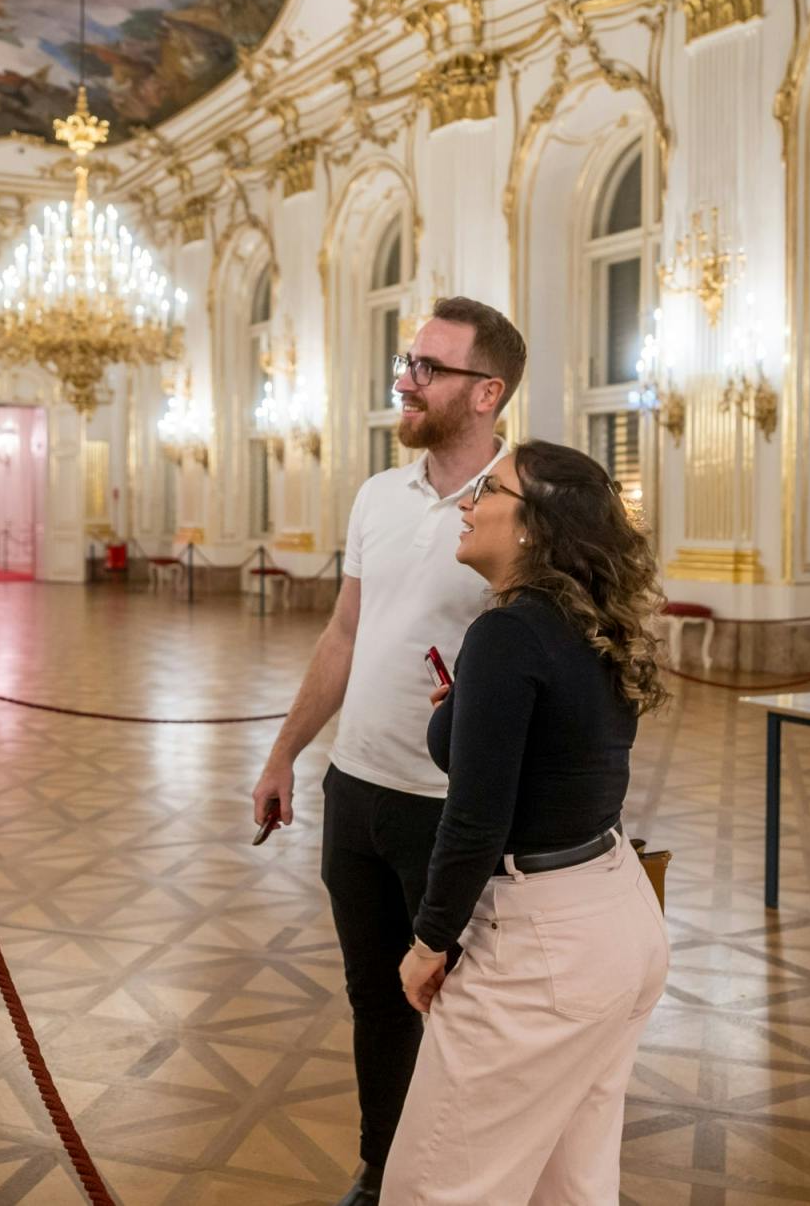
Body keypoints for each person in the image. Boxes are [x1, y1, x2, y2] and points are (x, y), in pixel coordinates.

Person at [252, 296, 527, 1206]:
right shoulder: (378, 494)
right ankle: (384, 1170)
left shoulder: (520, 505)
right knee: (375, 999)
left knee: (464, 1011)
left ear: (486, 392)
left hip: (449, 809)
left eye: (429, 369)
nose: (406, 382)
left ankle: (466, 1185)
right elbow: (344, 633)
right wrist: (285, 754)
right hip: (355, 792)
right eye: (408, 363)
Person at [381, 442, 671, 1206]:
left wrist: (428, 945)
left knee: (432, 1189)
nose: (468, 502)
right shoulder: (584, 623)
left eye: (489, 489)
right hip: (618, 916)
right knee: (569, 1186)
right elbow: (555, 754)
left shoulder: (507, 634)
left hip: (543, 951)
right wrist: (470, 714)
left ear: (532, 526)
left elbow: (477, 821)